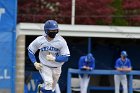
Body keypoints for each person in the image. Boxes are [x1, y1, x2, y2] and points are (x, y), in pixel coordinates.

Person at [28, 20, 70, 93]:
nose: (54, 32)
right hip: (44, 65)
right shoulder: (40, 40)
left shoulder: (61, 41)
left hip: (57, 67)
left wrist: (54, 59)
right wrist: (35, 63)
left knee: (51, 88)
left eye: (55, 30)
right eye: (52, 30)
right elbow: (30, 51)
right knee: (48, 83)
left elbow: (66, 57)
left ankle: (40, 88)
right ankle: (44, 88)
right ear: (46, 31)